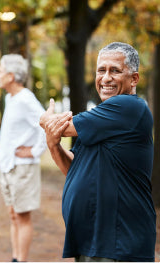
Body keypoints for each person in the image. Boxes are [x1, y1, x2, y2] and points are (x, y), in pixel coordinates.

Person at [40, 42, 156, 262]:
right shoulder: (102, 118)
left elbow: (64, 127)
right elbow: (74, 168)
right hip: (92, 241)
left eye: (115, 70)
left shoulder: (130, 107)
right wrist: (53, 144)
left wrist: (47, 120)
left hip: (119, 242)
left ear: (134, 79)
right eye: (101, 70)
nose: (106, 78)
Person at [0, 54, 47, 262]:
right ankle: (15, 258)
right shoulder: (10, 98)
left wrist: (35, 151)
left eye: (0, 71)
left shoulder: (26, 98)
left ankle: (21, 259)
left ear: (10, 76)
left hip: (23, 168)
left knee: (22, 216)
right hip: (8, 166)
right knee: (13, 215)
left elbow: (46, 123)